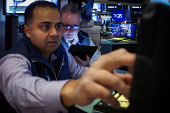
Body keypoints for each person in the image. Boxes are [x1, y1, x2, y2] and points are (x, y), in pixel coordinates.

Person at [0, 1, 135, 113]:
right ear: (28, 31)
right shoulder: (13, 59)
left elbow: (80, 73)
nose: (55, 33)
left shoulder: (61, 53)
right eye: (46, 26)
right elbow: (20, 91)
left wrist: (110, 79)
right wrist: (72, 90)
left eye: (58, 26)